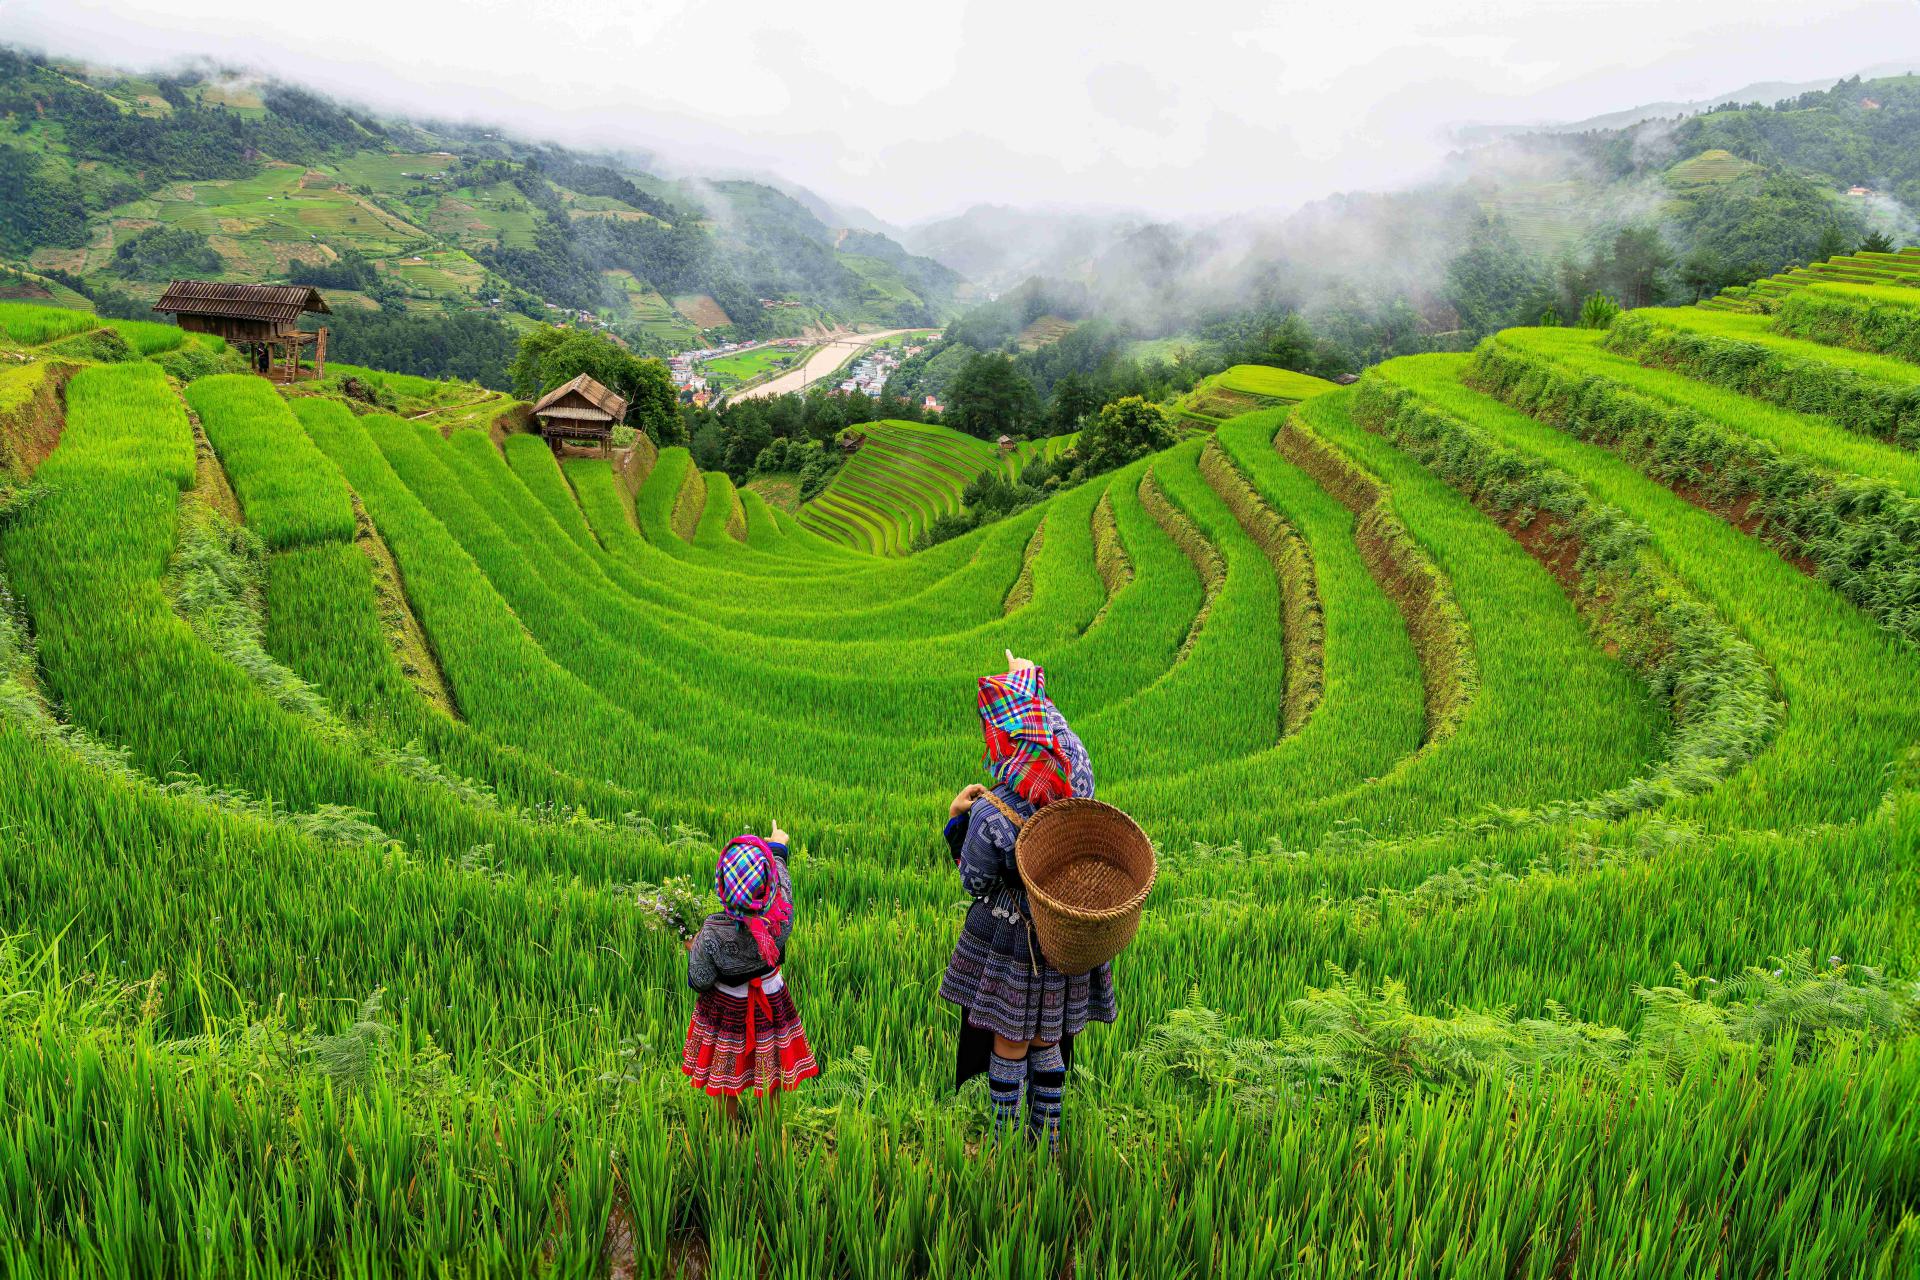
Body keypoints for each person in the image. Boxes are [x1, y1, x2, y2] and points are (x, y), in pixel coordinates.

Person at [939, 651, 1116, 1153]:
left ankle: (1002, 1142)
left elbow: (973, 879)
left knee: (1010, 1040)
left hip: (1012, 938)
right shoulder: (1077, 777)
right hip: (1063, 930)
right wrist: (1028, 684)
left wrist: (956, 820)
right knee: (1048, 1038)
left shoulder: (994, 813)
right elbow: (1058, 732)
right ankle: (1049, 1138)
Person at [682, 826, 818, 1120]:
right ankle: (769, 1139)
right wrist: (778, 845)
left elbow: (700, 980)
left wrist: (694, 948)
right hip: (771, 1001)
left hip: (726, 1008)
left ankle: (727, 1141)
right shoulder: (781, 916)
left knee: (725, 1077)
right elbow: (781, 880)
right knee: (770, 1073)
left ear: (722, 885)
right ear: (768, 890)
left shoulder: (711, 931)